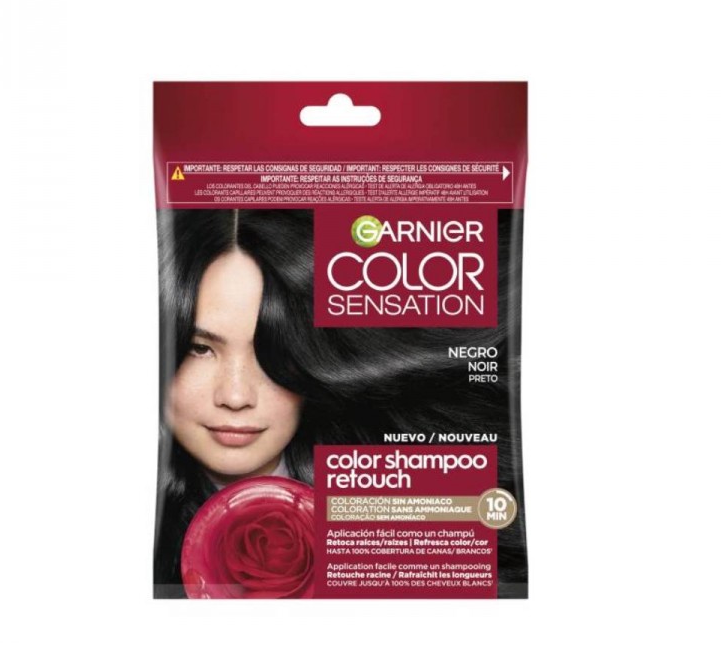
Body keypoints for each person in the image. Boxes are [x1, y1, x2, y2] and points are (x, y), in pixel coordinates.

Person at [154, 209, 526, 596]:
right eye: (200, 348)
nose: (235, 397)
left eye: (271, 353)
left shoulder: (397, 503)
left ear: (314, 360)